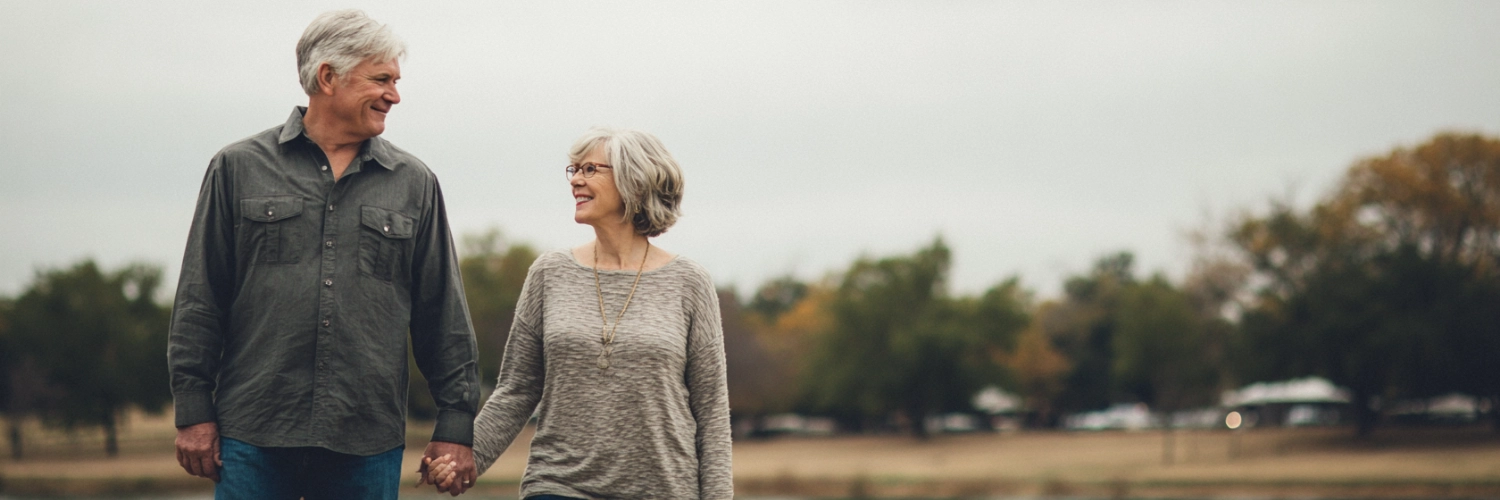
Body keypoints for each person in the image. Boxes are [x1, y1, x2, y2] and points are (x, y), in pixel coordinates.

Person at [167, 10, 481, 499]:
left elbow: (442, 314)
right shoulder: (236, 168)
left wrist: (456, 424)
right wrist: (193, 410)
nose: (394, 95)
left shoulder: (415, 183)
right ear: (328, 77)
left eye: (395, 81)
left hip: (367, 440)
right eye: (381, 79)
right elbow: (199, 298)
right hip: (251, 433)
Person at [424, 128, 733, 498]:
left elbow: (712, 411)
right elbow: (517, 389)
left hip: (663, 489)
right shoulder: (550, 272)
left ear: (634, 180)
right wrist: (464, 457)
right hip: (559, 484)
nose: (576, 181)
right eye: (574, 170)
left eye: (590, 169)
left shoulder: (689, 282)